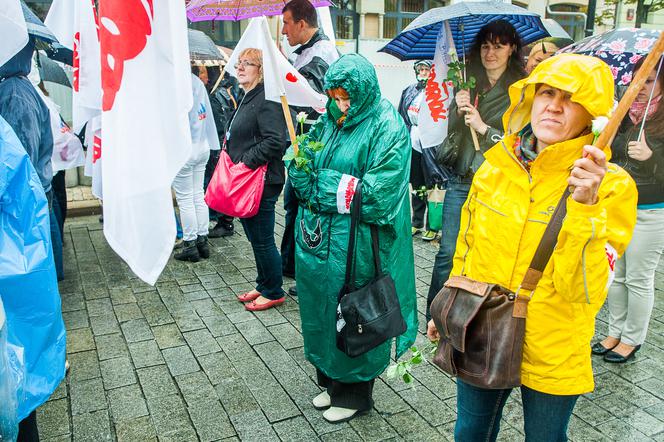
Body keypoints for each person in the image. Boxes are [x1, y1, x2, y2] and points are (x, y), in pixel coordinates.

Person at [427, 53, 637, 441]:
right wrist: (448, 305)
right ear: (529, 99)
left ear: (591, 112)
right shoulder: (495, 166)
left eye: (570, 98)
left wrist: (586, 208)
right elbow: (467, 247)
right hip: (482, 325)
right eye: (546, 92)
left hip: (553, 343)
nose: (554, 106)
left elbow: (585, 292)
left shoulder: (611, 185)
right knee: (471, 432)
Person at [288, 54, 418, 424]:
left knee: (354, 309)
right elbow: (304, 165)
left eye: (348, 99)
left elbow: (377, 196)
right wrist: (298, 167)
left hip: (358, 245)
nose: (342, 106)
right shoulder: (330, 119)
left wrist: (321, 182)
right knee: (320, 310)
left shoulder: (387, 126)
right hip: (318, 242)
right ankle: (331, 383)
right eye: (336, 98)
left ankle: (355, 394)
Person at [427, 20, 526, 320]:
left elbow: (520, 144)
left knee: (486, 250)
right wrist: (458, 111)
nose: (490, 53)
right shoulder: (469, 81)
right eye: (485, 46)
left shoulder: (521, 90)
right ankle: (436, 311)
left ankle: (477, 314)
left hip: (497, 183)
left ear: (512, 50)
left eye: (498, 46)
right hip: (462, 179)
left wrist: (484, 128)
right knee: (448, 250)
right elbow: (452, 133)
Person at [593, 58, 664, 363]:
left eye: (649, 81)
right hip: (618, 208)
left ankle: (632, 339)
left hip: (650, 212)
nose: (641, 88)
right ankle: (614, 332)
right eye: (638, 80)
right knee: (616, 276)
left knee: (638, 278)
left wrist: (651, 157)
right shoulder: (625, 116)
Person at [280, 0, 339, 294]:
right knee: (294, 204)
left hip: (315, 150)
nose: (283, 30)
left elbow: (310, 101)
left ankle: (306, 272)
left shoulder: (321, 54)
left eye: (287, 23)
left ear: (302, 24)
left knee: (306, 209)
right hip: (305, 147)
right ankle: (290, 264)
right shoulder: (306, 52)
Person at [228, 48, 289, 311]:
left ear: (261, 70)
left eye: (247, 63)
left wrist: (244, 162)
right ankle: (263, 283)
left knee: (263, 239)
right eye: (239, 63)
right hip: (247, 181)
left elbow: (276, 141)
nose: (240, 68)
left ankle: (274, 289)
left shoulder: (267, 98)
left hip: (261, 181)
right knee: (254, 238)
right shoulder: (248, 96)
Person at [172, 70, 220, 262]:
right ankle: (202, 240)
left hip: (185, 148)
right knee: (198, 194)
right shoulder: (196, 82)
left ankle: (190, 243)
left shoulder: (175, 84)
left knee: (185, 199)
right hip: (203, 144)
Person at [398, 59, 439, 241]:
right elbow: (401, 116)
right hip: (412, 140)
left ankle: (432, 225)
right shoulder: (409, 90)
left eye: (426, 69)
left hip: (431, 143)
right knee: (416, 183)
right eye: (420, 69)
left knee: (431, 183)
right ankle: (416, 222)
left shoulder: (438, 93)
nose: (423, 72)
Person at [207, 68, 243, 239]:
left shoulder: (215, 94)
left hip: (221, 142)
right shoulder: (228, 88)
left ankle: (225, 221)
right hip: (227, 141)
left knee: (220, 183)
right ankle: (225, 219)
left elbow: (219, 122)